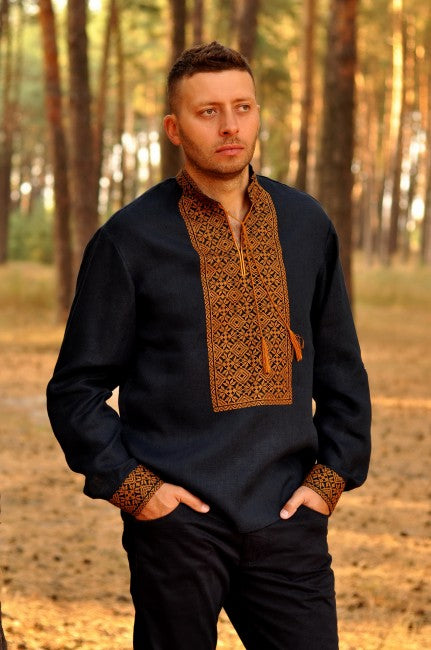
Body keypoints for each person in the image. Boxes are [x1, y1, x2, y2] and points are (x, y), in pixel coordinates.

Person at [47, 41, 371, 650]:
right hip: (178, 526)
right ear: (175, 128)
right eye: (208, 112)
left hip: (287, 518)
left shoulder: (306, 224)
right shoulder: (129, 239)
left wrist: (330, 480)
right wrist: (139, 493)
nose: (230, 126)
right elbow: (75, 390)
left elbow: (342, 369)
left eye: (243, 107)